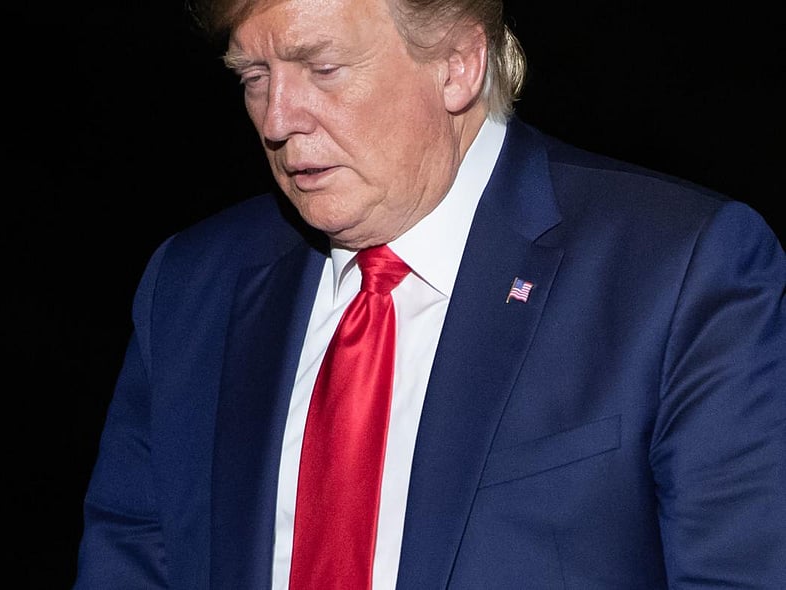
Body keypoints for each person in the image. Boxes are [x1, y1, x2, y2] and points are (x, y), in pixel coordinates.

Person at [72, 0, 786, 586]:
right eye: (254, 77)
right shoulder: (193, 286)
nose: (277, 119)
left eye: (323, 68)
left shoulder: (679, 271)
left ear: (457, 65)